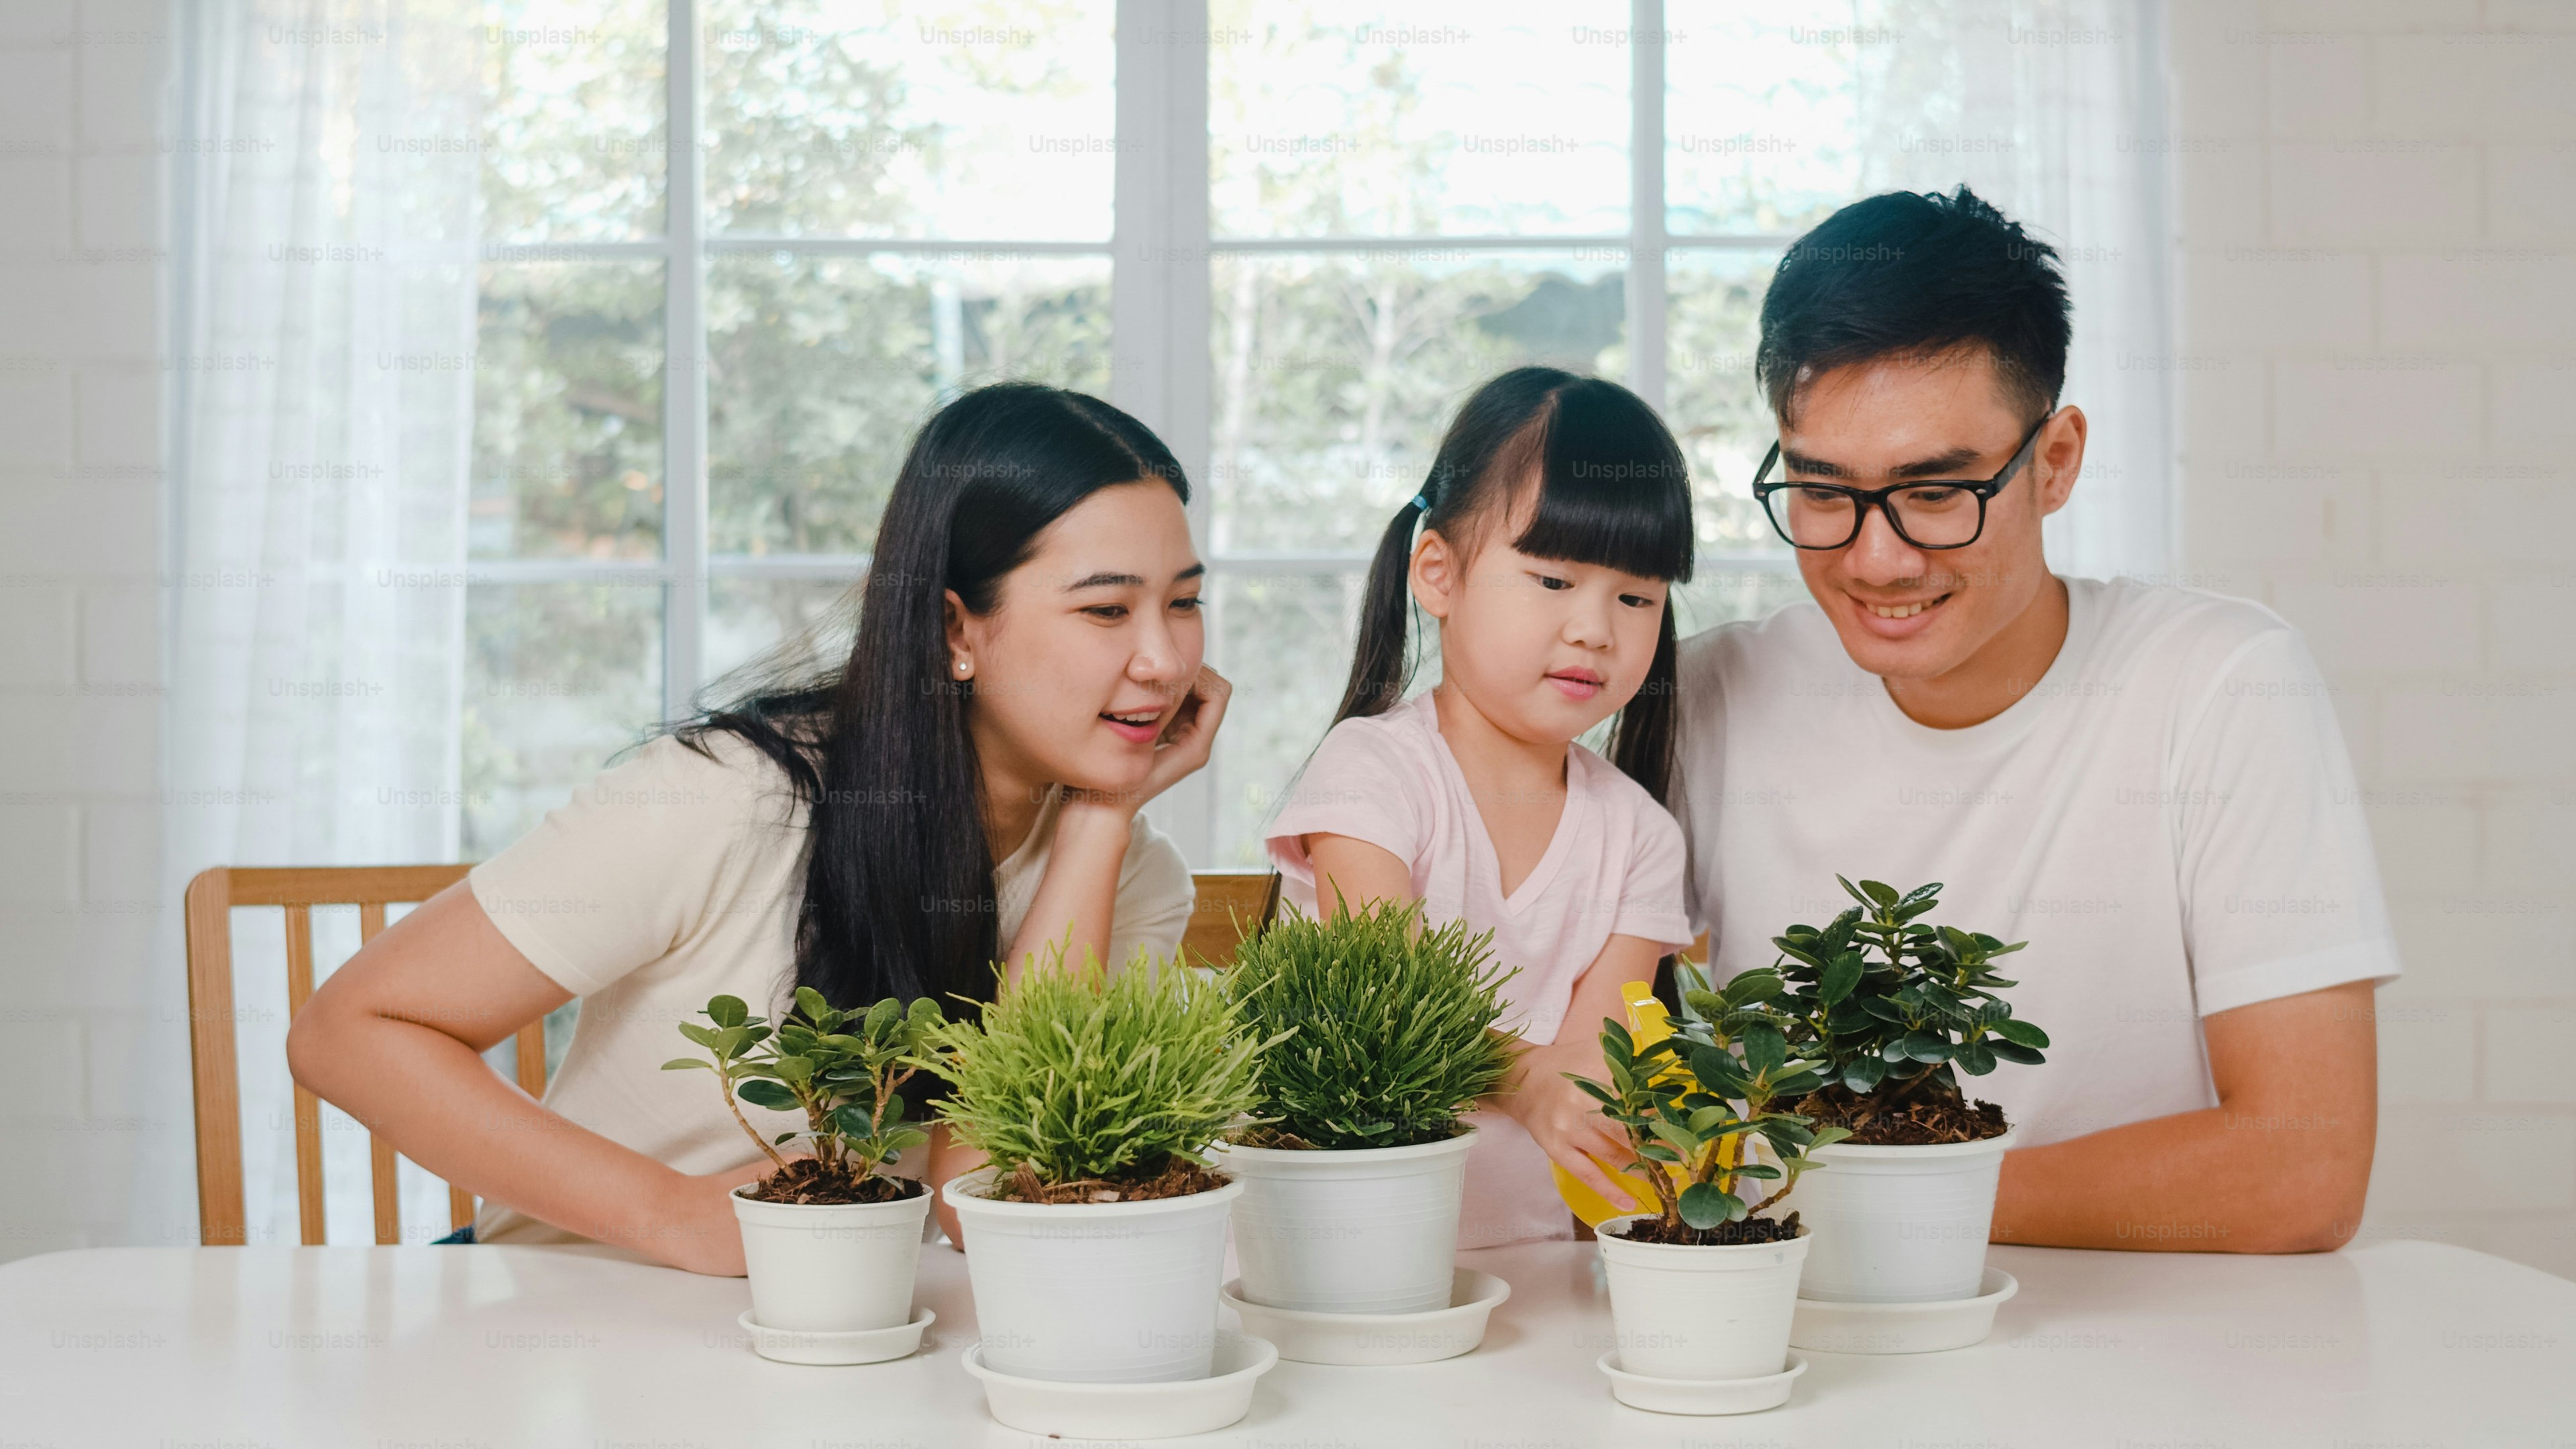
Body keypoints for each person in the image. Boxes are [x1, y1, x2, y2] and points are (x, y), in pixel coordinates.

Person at [287, 383, 1228, 1271]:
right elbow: (349, 1031)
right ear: (955, 630)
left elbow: (978, 1200)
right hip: (558, 1300)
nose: (1163, 659)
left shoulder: (1128, 878)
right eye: (1107, 609)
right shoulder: (732, 797)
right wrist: (675, 1214)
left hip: (813, 1330)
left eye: (1183, 603)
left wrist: (1100, 823)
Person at [1672, 186, 2395, 1252]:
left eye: (1935, 492)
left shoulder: (2222, 685)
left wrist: (1871, 1212)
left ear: (2054, 462)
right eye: (1823, 492)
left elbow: (2304, 1168)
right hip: (1800, 1332)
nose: (1877, 559)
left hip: (2139, 1338)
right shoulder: (1708, 697)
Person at [1265, 367, 1699, 1248]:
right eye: (1553, 580)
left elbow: (1593, 1072)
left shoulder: (1642, 838)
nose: (1596, 629)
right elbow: (1389, 1005)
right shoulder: (1373, 772)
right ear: (1439, 573)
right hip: (1338, 1258)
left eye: (1636, 596)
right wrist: (1527, 1079)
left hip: (1532, 1262)